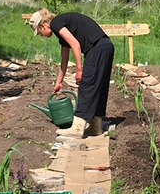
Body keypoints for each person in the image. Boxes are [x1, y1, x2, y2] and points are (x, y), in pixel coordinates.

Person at [29, 8, 114, 137]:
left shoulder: (56, 23)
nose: (41, 35)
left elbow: (76, 45)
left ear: (42, 25)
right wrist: (59, 82)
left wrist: (80, 70)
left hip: (96, 49)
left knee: (86, 85)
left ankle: (77, 127)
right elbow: (65, 59)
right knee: (99, 86)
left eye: (40, 32)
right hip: (106, 46)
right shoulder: (62, 25)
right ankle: (96, 126)